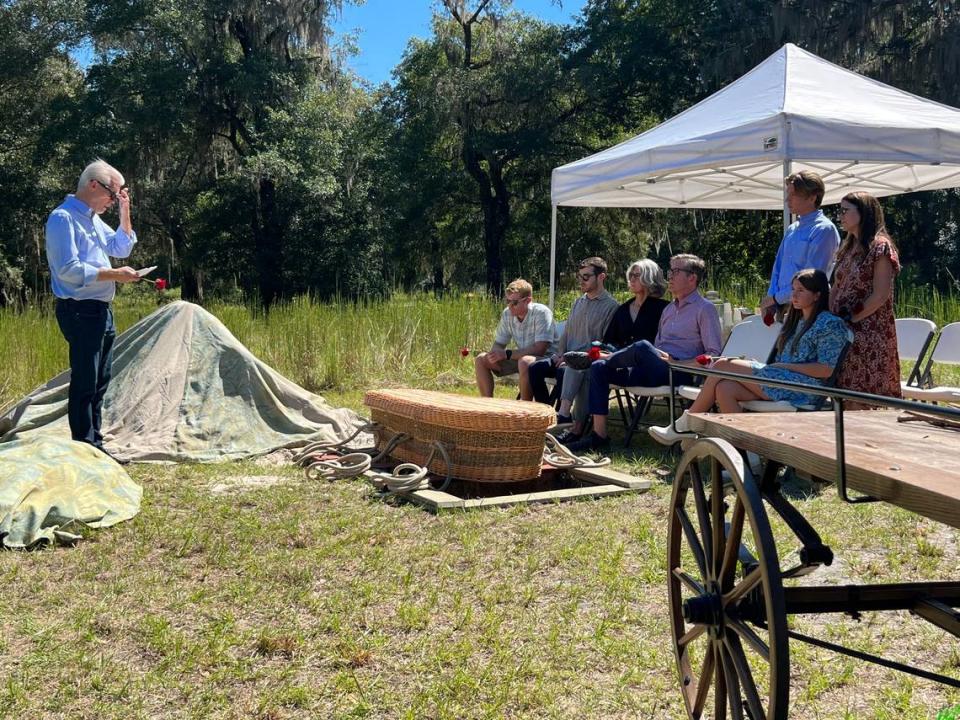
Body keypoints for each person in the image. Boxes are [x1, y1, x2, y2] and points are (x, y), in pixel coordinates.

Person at [649, 269, 849, 444]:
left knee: (722, 366)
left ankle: (686, 423)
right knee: (724, 388)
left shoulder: (829, 324)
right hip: (780, 380)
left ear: (817, 295)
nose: (793, 296)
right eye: (793, 290)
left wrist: (784, 367)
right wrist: (774, 366)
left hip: (803, 388)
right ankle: (747, 458)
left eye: (801, 291)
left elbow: (826, 369)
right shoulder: (794, 322)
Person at [566, 254, 722, 452]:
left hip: (677, 372)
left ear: (692, 278)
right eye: (669, 271)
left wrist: (678, 362)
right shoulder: (669, 310)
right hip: (652, 367)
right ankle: (599, 435)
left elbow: (712, 356)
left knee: (641, 346)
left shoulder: (704, 309)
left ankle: (605, 356)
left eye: (675, 272)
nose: (670, 277)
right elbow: (657, 346)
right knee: (599, 368)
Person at [46, 159, 140, 456]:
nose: (113, 203)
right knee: (85, 380)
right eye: (113, 196)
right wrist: (116, 275)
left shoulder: (92, 218)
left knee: (100, 380)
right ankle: (84, 447)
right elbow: (68, 270)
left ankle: (95, 444)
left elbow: (120, 248)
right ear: (93, 185)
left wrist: (125, 211)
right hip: (79, 309)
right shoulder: (63, 219)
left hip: (100, 309)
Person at [554, 259, 669, 444]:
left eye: (636, 275)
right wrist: (605, 352)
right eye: (630, 275)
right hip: (620, 365)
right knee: (590, 366)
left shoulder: (663, 308)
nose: (631, 279)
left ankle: (575, 426)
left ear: (649, 278)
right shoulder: (624, 309)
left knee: (633, 349)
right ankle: (586, 429)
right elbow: (610, 341)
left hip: (646, 367)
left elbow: (662, 344)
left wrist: (608, 354)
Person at [829, 191, 902, 407]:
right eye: (839, 211)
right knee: (844, 397)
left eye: (845, 211)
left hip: (870, 334)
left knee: (865, 400)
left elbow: (880, 295)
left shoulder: (880, 247)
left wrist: (851, 317)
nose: (840, 216)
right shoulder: (847, 248)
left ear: (864, 213)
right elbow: (837, 286)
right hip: (844, 333)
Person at [523, 257, 618, 406]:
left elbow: (603, 344)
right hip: (565, 358)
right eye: (579, 277)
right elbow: (567, 333)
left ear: (601, 277)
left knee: (563, 372)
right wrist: (560, 354)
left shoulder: (611, 306)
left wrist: (572, 359)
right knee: (535, 368)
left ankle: (562, 417)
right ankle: (546, 410)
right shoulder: (578, 302)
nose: (581, 281)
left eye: (586, 277)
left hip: (584, 362)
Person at [761, 171, 839, 323]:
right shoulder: (792, 228)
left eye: (793, 194)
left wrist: (776, 298)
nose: (787, 199)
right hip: (783, 308)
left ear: (812, 197)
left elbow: (812, 280)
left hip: (809, 309)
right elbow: (778, 267)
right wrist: (771, 299)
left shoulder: (824, 229)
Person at [474, 278, 556, 398]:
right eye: (507, 301)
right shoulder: (507, 314)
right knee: (481, 359)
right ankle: (488, 406)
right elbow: (499, 343)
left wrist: (506, 354)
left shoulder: (542, 313)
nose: (510, 306)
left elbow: (539, 350)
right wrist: (493, 355)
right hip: (521, 359)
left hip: (548, 360)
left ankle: (524, 411)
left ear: (528, 300)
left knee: (525, 362)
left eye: (515, 302)